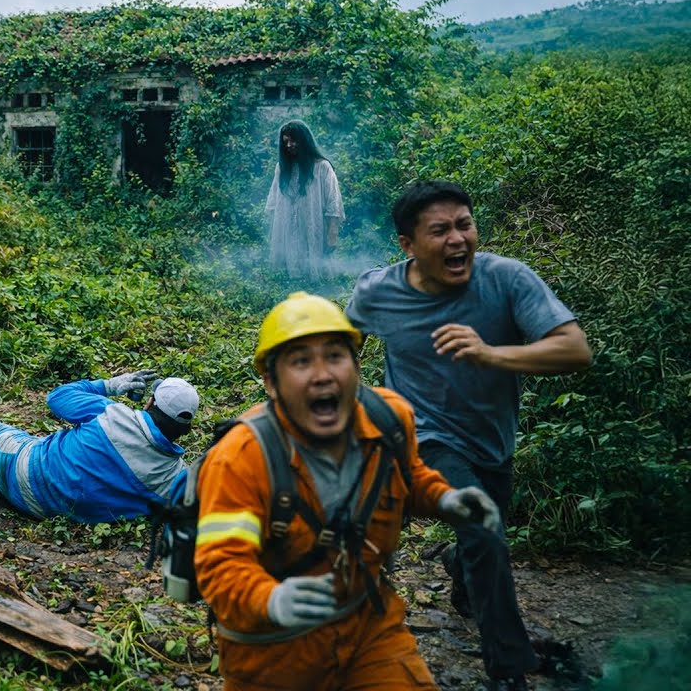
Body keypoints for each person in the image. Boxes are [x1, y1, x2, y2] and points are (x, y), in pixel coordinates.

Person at [345, 181, 593, 691]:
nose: (458, 239)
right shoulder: (378, 291)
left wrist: (490, 354)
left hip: (492, 439)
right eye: (440, 230)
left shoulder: (506, 279)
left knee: (481, 535)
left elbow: (574, 350)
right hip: (423, 437)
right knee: (483, 521)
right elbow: (341, 347)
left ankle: (462, 572)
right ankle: (508, 666)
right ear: (408, 245)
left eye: (465, 224)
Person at [194, 292, 502, 691]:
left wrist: (445, 498)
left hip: (368, 628)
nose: (323, 374)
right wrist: (270, 599)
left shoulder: (389, 419)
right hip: (272, 653)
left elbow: (408, 476)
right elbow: (221, 564)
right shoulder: (239, 458)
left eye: (335, 356)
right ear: (271, 382)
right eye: (301, 361)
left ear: (357, 367)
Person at [0, 371, 199, 524]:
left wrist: (111, 384)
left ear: (149, 402)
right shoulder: (174, 478)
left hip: (30, 479)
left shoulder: (111, 414)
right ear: (186, 429)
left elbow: (57, 398)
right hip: (68, 514)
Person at [265, 120, 344, 279]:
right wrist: (272, 234)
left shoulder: (322, 167)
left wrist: (332, 233)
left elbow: (333, 203)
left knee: (316, 275)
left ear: (304, 140)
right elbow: (273, 203)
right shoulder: (282, 168)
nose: (289, 145)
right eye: (286, 141)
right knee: (286, 277)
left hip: (312, 227)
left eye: (293, 140)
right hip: (287, 230)